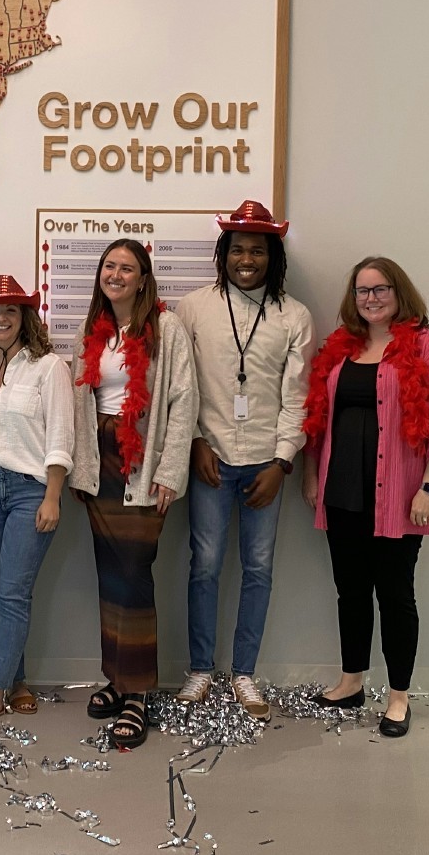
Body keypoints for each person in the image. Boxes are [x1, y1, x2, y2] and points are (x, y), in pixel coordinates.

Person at [300, 256, 429, 739]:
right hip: (342, 492)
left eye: (380, 289)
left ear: (400, 293)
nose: (370, 299)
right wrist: (312, 475)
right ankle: (351, 681)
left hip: (398, 494)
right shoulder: (340, 349)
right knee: (350, 592)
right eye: (361, 291)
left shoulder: (427, 348)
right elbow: (317, 421)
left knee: (395, 596)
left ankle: (398, 697)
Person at [174, 200, 314, 721]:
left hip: (264, 465)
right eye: (238, 250)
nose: (247, 259)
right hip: (209, 457)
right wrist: (193, 443)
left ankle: (245, 673)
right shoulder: (191, 309)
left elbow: (296, 397)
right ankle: (200, 670)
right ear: (223, 253)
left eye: (257, 250)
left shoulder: (294, 316)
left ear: (272, 256)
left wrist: (281, 462)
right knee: (204, 566)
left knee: (258, 568)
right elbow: (179, 389)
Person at [71, 238, 197, 748]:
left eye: (127, 267)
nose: (116, 274)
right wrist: (81, 465)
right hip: (99, 457)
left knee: (134, 574)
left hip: (141, 457)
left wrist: (170, 471)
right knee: (108, 572)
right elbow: (84, 398)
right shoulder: (94, 329)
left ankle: (138, 692)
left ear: (144, 278)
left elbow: (183, 400)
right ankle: (115, 676)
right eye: (109, 266)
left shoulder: (166, 329)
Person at [0, 276, 75, 730]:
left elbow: (62, 435)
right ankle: (17, 681)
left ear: (25, 317)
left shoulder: (48, 368)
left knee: (12, 591)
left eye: (11, 310)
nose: (1, 317)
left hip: (30, 490)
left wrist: (53, 496)